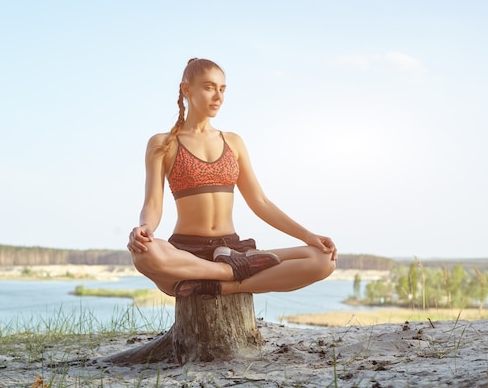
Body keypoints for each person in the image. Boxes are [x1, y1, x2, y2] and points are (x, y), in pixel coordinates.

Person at [127, 58, 337, 299]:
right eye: (209, 87)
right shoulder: (163, 143)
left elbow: (260, 202)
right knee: (143, 254)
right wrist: (144, 228)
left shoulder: (233, 142)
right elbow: (153, 203)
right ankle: (229, 273)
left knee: (323, 260)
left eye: (222, 89)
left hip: (233, 250)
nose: (218, 96)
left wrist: (308, 236)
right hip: (186, 251)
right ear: (187, 89)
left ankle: (223, 284)